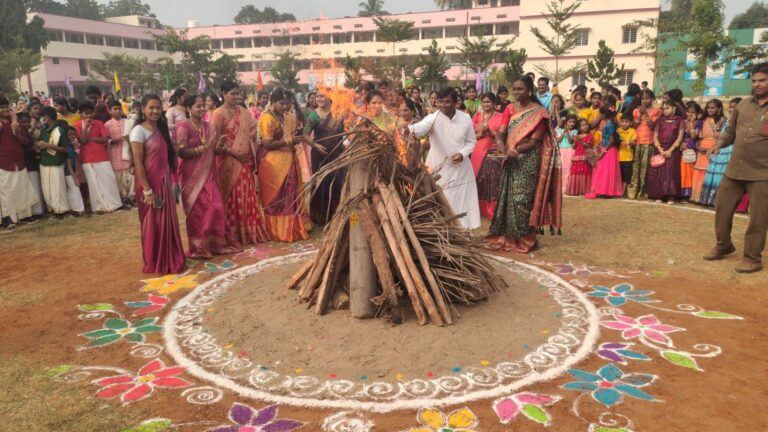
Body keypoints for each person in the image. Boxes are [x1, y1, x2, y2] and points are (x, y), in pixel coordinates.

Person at [486, 75, 562, 252]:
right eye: (514, 89)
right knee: (507, 196)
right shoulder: (510, 109)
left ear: (529, 91)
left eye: (520, 89)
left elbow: (535, 142)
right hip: (509, 158)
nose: (516, 92)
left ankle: (525, 238)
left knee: (522, 198)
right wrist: (503, 148)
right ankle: (507, 235)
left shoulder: (539, 113)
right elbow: (501, 132)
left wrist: (515, 151)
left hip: (527, 160)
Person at [704, 63, 768, 273]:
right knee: (721, 208)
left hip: (762, 173)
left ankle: (752, 258)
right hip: (735, 170)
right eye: (754, 81)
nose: (757, 84)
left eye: (762, 80)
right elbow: (730, 130)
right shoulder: (744, 105)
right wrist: (719, 143)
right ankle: (724, 245)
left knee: (758, 217)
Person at [175, 95, 241, 259]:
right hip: (192, 175)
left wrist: (219, 147)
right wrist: (200, 149)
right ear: (189, 109)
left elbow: (215, 151)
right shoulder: (183, 127)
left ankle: (216, 245)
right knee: (197, 210)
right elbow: (181, 152)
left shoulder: (209, 126)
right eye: (198, 106)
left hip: (209, 174)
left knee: (216, 207)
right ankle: (199, 248)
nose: (202, 108)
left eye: (203, 105)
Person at [408, 87, 480, 230]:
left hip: (461, 170)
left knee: (461, 203)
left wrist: (462, 154)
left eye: (447, 102)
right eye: (440, 102)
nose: (442, 105)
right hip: (439, 169)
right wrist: (407, 129)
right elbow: (419, 129)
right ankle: (444, 233)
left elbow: (471, 142)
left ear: (455, 102)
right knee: (441, 202)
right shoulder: (433, 118)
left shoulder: (465, 119)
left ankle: (463, 233)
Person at [129, 94, 186, 275]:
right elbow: (138, 162)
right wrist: (147, 190)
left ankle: (170, 257)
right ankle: (154, 260)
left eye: (157, 107)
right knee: (151, 222)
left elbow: (167, 158)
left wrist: (176, 149)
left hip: (164, 182)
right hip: (148, 185)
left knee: (166, 222)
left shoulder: (162, 130)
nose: (154, 111)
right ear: (143, 109)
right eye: (150, 107)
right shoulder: (138, 131)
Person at [213, 81, 269, 246]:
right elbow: (215, 142)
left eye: (238, 94)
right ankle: (232, 233)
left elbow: (254, 129)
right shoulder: (218, 114)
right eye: (232, 93)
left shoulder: (244, 112)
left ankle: (248, 231)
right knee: (230, 196)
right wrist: (233, 152)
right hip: (227, 161)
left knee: (246, 194)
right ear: (223, 93)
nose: (236, 97)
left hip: (244, 161)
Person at [258, 87, 311, 242]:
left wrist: (310, 143)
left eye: (287, 103)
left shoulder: (286, 116)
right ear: (273, 102)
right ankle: (277, 231)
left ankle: (292, 228)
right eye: (282, 103)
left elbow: (297, 133)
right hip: (272, 162)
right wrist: (289, 141)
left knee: (290, 194)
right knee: (276, 197)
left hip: (289, 159)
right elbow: (267, 143)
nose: (286, 107)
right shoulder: (267, 118)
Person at [304, 89, 346, 225]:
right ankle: (321, 217)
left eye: (322, 96)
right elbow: (305, 135)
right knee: (321, 183)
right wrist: (315, 146)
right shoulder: (313, 116)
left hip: (337, 154)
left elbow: (347, 131)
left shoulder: (339, 113)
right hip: (320, 155)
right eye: (317, 96)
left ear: (330, 97)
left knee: (337, 182)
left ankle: (337, 214)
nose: (319, 99)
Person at [75, 101, 124, 213]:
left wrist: (90, 139)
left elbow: (106, 139)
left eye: (90, 113)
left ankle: (114, 204)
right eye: (85, 114)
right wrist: (86, 127)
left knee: (108, 180)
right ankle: (98, 207)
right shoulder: (77, 126)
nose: (88, 116)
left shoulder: (99, 123)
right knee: (94, 184)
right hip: (87, 158)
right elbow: (82, 140)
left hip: (102, 156)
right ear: (81, 114)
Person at [0, 97, 38, 227]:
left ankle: (24, 216)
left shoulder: (16, 123)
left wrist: (16, 130)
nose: (4, 109)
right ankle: (8, 219)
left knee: (22, 188)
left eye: (6, 107)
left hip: (19, 160)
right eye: (1, 107)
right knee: (7, 190)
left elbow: (25, 142)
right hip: (4, 161)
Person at [701, 97, 742, 207]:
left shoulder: (741, 122)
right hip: (721, 151)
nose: (732, 109)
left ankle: (720, 202)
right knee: (714, 173)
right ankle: (710, 200)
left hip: (730, 151)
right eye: (730, 107)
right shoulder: (729, 121)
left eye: (735, 107)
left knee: (723, 176)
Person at [471, 92, 505, 219]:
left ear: (494, 103)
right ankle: (479, 210)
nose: (486, 104)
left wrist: (490, 131)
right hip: (477, 152)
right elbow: (470, 133)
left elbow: (502, 135)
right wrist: (479, 134)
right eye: (484, 102)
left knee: (492, 181)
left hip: (493, 152)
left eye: (488, 102)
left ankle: (492, 210)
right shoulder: (477, 116)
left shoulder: (500, 116)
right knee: (479, 179)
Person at [627, 89, 661, 199]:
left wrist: (646, 113)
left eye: (647, 98)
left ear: (652, 99)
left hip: (649, 143)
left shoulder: (656, 111)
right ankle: (634, 191)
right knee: (636, 167)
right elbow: (634, 126)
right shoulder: (636, 111)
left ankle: (643, 192)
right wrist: (640, 113)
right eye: (642, 99)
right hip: (637, 142)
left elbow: (651, 125)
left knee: (645, 169)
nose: (644, 101)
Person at [647, 100, 684, 204]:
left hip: (673, 151)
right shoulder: (660, 120)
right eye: (663, 109)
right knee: (659, 172)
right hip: (660, 149)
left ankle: (671, 196)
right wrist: (659, 148)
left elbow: (680, 137)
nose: (665, 111)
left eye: (667, 108)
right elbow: (655, 135)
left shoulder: (679, 120)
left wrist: (670, 150)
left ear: (674, 109)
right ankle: (658, 195)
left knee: (671, 172)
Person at [36, 106, 70, 216]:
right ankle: (52, 209)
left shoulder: (59, 130)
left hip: (56, 162)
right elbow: (38, 142)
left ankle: (61, 210)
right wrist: (39, 144)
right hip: (44, 162)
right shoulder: (44, 130)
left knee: (57, 187)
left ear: (47, 117)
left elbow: (65, 149)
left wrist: (49, 145)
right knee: (47, 188)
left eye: (42, 116)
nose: (41, 118)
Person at [691, 99, 725, 204]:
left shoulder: (722, 120)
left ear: (719, 109)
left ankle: (707, 198)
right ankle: (696, 196)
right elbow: (694, 136)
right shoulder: (702, 120)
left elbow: (723, 137)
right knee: (699, 172)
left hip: (714, 149)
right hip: (701, 149)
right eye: (708, 107)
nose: (710, 110)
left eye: (713, 107)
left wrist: (711, 148)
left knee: (709, 172)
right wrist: (692, 124)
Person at [586, 107, 623, 199]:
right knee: (605, 170)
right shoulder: (609, 123)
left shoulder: (609, 124)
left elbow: (611, 140)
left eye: (601, 114)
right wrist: (599, 146)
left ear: (604, 115)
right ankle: (605, 191)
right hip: (606, 148)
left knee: (604, 170)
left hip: (608, 150)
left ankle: (605, 191)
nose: (599, 116)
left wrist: (604, 151)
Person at [105, 100, 135, 206]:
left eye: (119, 109)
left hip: (127, 152)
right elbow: (106, 141)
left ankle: (132, 196)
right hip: (115, 154)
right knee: (119, 177)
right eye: (115, 109)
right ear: (109, 111)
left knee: (130, 176)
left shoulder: (128, 122)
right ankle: (123, 197)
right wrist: (119, 140)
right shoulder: (107, 125)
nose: (117, 111)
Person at [18, 112, 45, 218]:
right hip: (24, 165)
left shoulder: (29, 133)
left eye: (27, 121)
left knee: (36, 188)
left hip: (32, 164)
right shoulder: (17, 133)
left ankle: (38, 212)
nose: (26, 124)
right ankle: (31, 213)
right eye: (23, 122)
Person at [679, 101, 702, 200]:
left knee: (691, 172)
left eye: (693, 112)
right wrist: (680, 144)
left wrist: (691, 124)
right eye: (688, 112)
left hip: (692, 149)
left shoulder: (699, 123)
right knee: (683, 172)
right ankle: (682, 193)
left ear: (697, 114)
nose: (690, 114)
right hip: (682, 149)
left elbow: (694, 136)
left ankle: (689, 194)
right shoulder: (683, 122)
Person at [566, 118, 594, 196]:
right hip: (577, 157)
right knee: (576, 171)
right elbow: (574, 147)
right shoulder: (577, 136)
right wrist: (575, 141)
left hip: (585, 157)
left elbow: (588, 145)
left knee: (585, 171)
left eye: (586, 125)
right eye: (583, 125)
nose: (586, 127)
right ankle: (575, 190)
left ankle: (584, 190)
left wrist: (580, 140)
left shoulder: (590, 136)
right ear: (579, 128)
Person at [63, 125, 86, 215]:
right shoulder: (67, 147)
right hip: (68, 171)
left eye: (74, 134)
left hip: (71, 171)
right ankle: (78, 210)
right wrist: (75, 177)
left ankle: (75, 209)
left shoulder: (71, 145)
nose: (72, 136)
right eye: (70, 134)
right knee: (74, 188)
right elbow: (68, 164)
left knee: (72, 189)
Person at [556, 114, 578, 194]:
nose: (572, 124)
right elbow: (558, 141)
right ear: (566, 122)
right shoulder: (559, 130)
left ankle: (566, 188)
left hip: (570, 151)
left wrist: (568, 133)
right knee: (561, 169)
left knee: (568, 169)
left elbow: (571, 141)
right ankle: (559, 188)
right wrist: (563, 132)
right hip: (561, 151)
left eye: (573, 122)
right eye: (570, 122)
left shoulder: (575, 131)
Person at [617, 115, 637, 196]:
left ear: (631, 123)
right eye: (622, 121)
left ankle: (623, 191)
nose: (624, 123)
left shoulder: (632, 131)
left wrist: (631, 143)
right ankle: (618, 190)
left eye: (626, 122)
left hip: (628, 157)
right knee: (619, 174)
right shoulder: (617, 131)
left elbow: (635, 144)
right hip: (618, 157)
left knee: (626, 175)